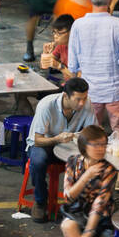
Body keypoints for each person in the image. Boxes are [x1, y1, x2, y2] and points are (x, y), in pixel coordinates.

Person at [68, 0, 119, 136]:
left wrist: (73, 86)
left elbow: (72, 63)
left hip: (89, 90)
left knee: (91, 133)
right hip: (116, 89)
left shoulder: (78, 25)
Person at [26, 78, 95, 220]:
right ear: (65, 96)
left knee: (91, 159)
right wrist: (57, 139)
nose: (82, 103)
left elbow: (93, 132)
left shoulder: (87, 104)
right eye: (78, 99)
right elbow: (37, 140)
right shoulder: (46, 105)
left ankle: (80, 205)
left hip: (69, 147)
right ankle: (40, 202)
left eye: (85, 98)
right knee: (38, 161)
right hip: (45, 145)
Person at [41, 14, 76, 83]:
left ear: (71, 32)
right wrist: (46, 54)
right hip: (67, 84)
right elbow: (44, 67)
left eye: (59, 33)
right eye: (54, 32)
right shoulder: (61, 46)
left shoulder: (78, 49)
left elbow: (79, 77)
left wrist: (59, 66)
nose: (55, 36)